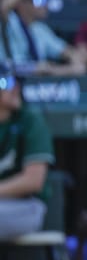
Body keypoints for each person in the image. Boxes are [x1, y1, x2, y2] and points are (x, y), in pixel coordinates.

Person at [0, 63, 54, 239]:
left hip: (26, 205)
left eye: (15, 81)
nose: (15, 87)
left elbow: (33, 181)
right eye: (5, 82)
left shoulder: (30, 119)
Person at [0, 0, 87, 76]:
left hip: (36, 87)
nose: (45, 4)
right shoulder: (10, 21)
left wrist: (67, 65)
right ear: (22, 3)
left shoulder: (40, 29)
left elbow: (70, 53)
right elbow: (3, 8)